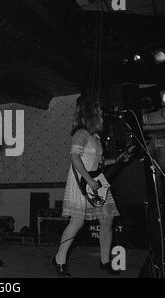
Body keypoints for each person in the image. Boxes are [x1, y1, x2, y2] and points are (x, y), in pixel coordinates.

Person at [51, 98, 120, 277]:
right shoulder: (80, 134)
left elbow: (98, 162)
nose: (103, 116)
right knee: (77, 222)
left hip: (98, 181)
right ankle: (59, 259)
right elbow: (75, 158)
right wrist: (89, 181)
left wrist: (118, 160)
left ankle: (105, 261)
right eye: (100, 113)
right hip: (85, 182)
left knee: (107, 220)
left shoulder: (95, 137)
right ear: (91, 115)